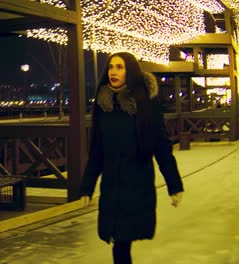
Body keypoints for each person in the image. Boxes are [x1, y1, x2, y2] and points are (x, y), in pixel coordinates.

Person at [79, 52, 184, 264]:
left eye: (120, 67)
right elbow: (96, 151)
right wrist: (86, 187)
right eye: (111, 67)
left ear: (130, 71)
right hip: (111, 185)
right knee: (118, 240)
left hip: (136, 184)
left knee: (122, 242)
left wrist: (174, 184)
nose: (113, 72)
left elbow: (162, 146)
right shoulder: (103, 105)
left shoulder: (145, 104)